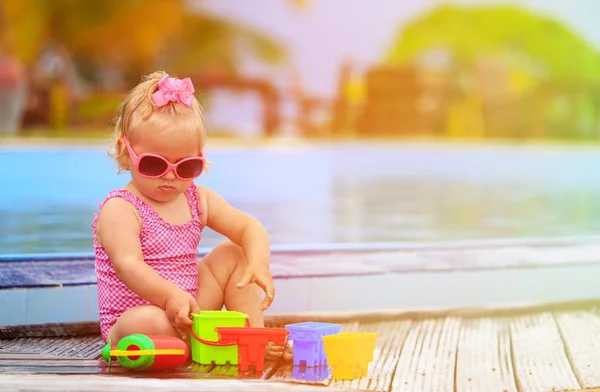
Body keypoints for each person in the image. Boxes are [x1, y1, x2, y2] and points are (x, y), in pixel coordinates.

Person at [92, 71, 292, 361]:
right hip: (142, 314)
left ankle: (253, 339)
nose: (170, 176)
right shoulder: (121, 208)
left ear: (200, 157)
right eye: (153, 164)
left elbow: (249, 227)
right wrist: (170, 297)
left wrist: (259, 262)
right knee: (146, 321)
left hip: (192, 309)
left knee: (237, 253)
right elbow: (128, 265)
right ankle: (197, 341)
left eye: (185, 166)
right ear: (126, 152)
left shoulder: (197, 198)